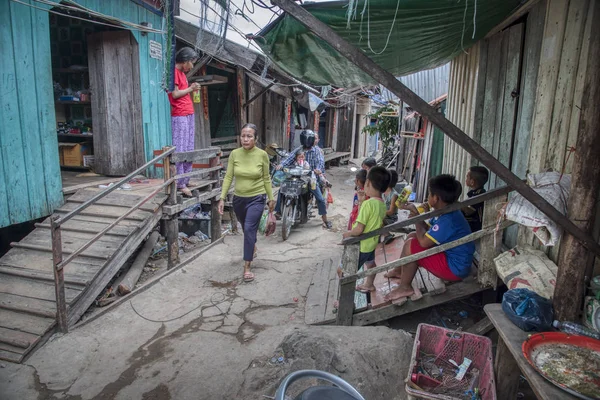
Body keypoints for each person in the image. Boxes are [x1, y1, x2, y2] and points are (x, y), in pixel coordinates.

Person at [383, 175, 475, 304]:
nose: (427, 197)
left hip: (454, 268)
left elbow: (423, 242)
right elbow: (427, 232)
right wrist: (420, 216)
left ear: (436, 198)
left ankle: (405, 287)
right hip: (452, 258)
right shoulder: (444, 211)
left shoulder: (449, 219)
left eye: (429, 194)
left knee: (411, 245)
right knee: (412, 236)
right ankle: (399, 271)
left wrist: (416, 216)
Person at [218, 123, 275, 283]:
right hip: (238, 199)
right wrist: (222, 198)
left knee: (250, 228)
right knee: (246, 229)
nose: (245, 139)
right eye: (243, 135)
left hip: (257, 198)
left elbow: (266, 178)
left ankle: (247, 266)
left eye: (249, 136)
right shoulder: (235, 154)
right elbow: (228, 177)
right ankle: (253, 247)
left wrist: (271, 198)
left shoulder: (262, 155)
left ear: (255, 139)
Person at [343, 166, 390, 292]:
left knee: (344, 272)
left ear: (367, 183)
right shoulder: (382, 204)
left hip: (362, 245)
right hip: (372, 243)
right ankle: (369, 284)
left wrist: (347, 234)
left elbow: (359, 230)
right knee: (370, 264)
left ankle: (346, 301)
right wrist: (362, 202)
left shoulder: (368, 204)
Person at [276, 130, 332, 229]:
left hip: (311, 178)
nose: (307, 141)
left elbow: (320, 162)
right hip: (297, 177)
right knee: (282, 189)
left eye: (309, 139)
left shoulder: (317, 151)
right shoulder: (298, 149)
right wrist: (281, 165)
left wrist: (318, 170)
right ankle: (279, 211)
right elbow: (288, 159)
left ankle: (325, 219)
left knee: (320, 199)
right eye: (305, 139)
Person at [168, 47, 201, 197]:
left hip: (188, 112)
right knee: (180, 148)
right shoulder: (174, 73)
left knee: (188, 147)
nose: (192, 66)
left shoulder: (182, 74)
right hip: (179, 114)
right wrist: (190, 89)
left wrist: (191, 88)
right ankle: (180, 183)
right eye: (191, 63)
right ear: (185, 61)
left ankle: (186, 179)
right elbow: (174, 94)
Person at [463, 166, 489, 232]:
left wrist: (457, 205)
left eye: (467, 177)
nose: (465, 179)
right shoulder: (474, 193)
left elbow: (470, 211)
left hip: (476, 225)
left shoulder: (479, 194)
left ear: (472, 182)